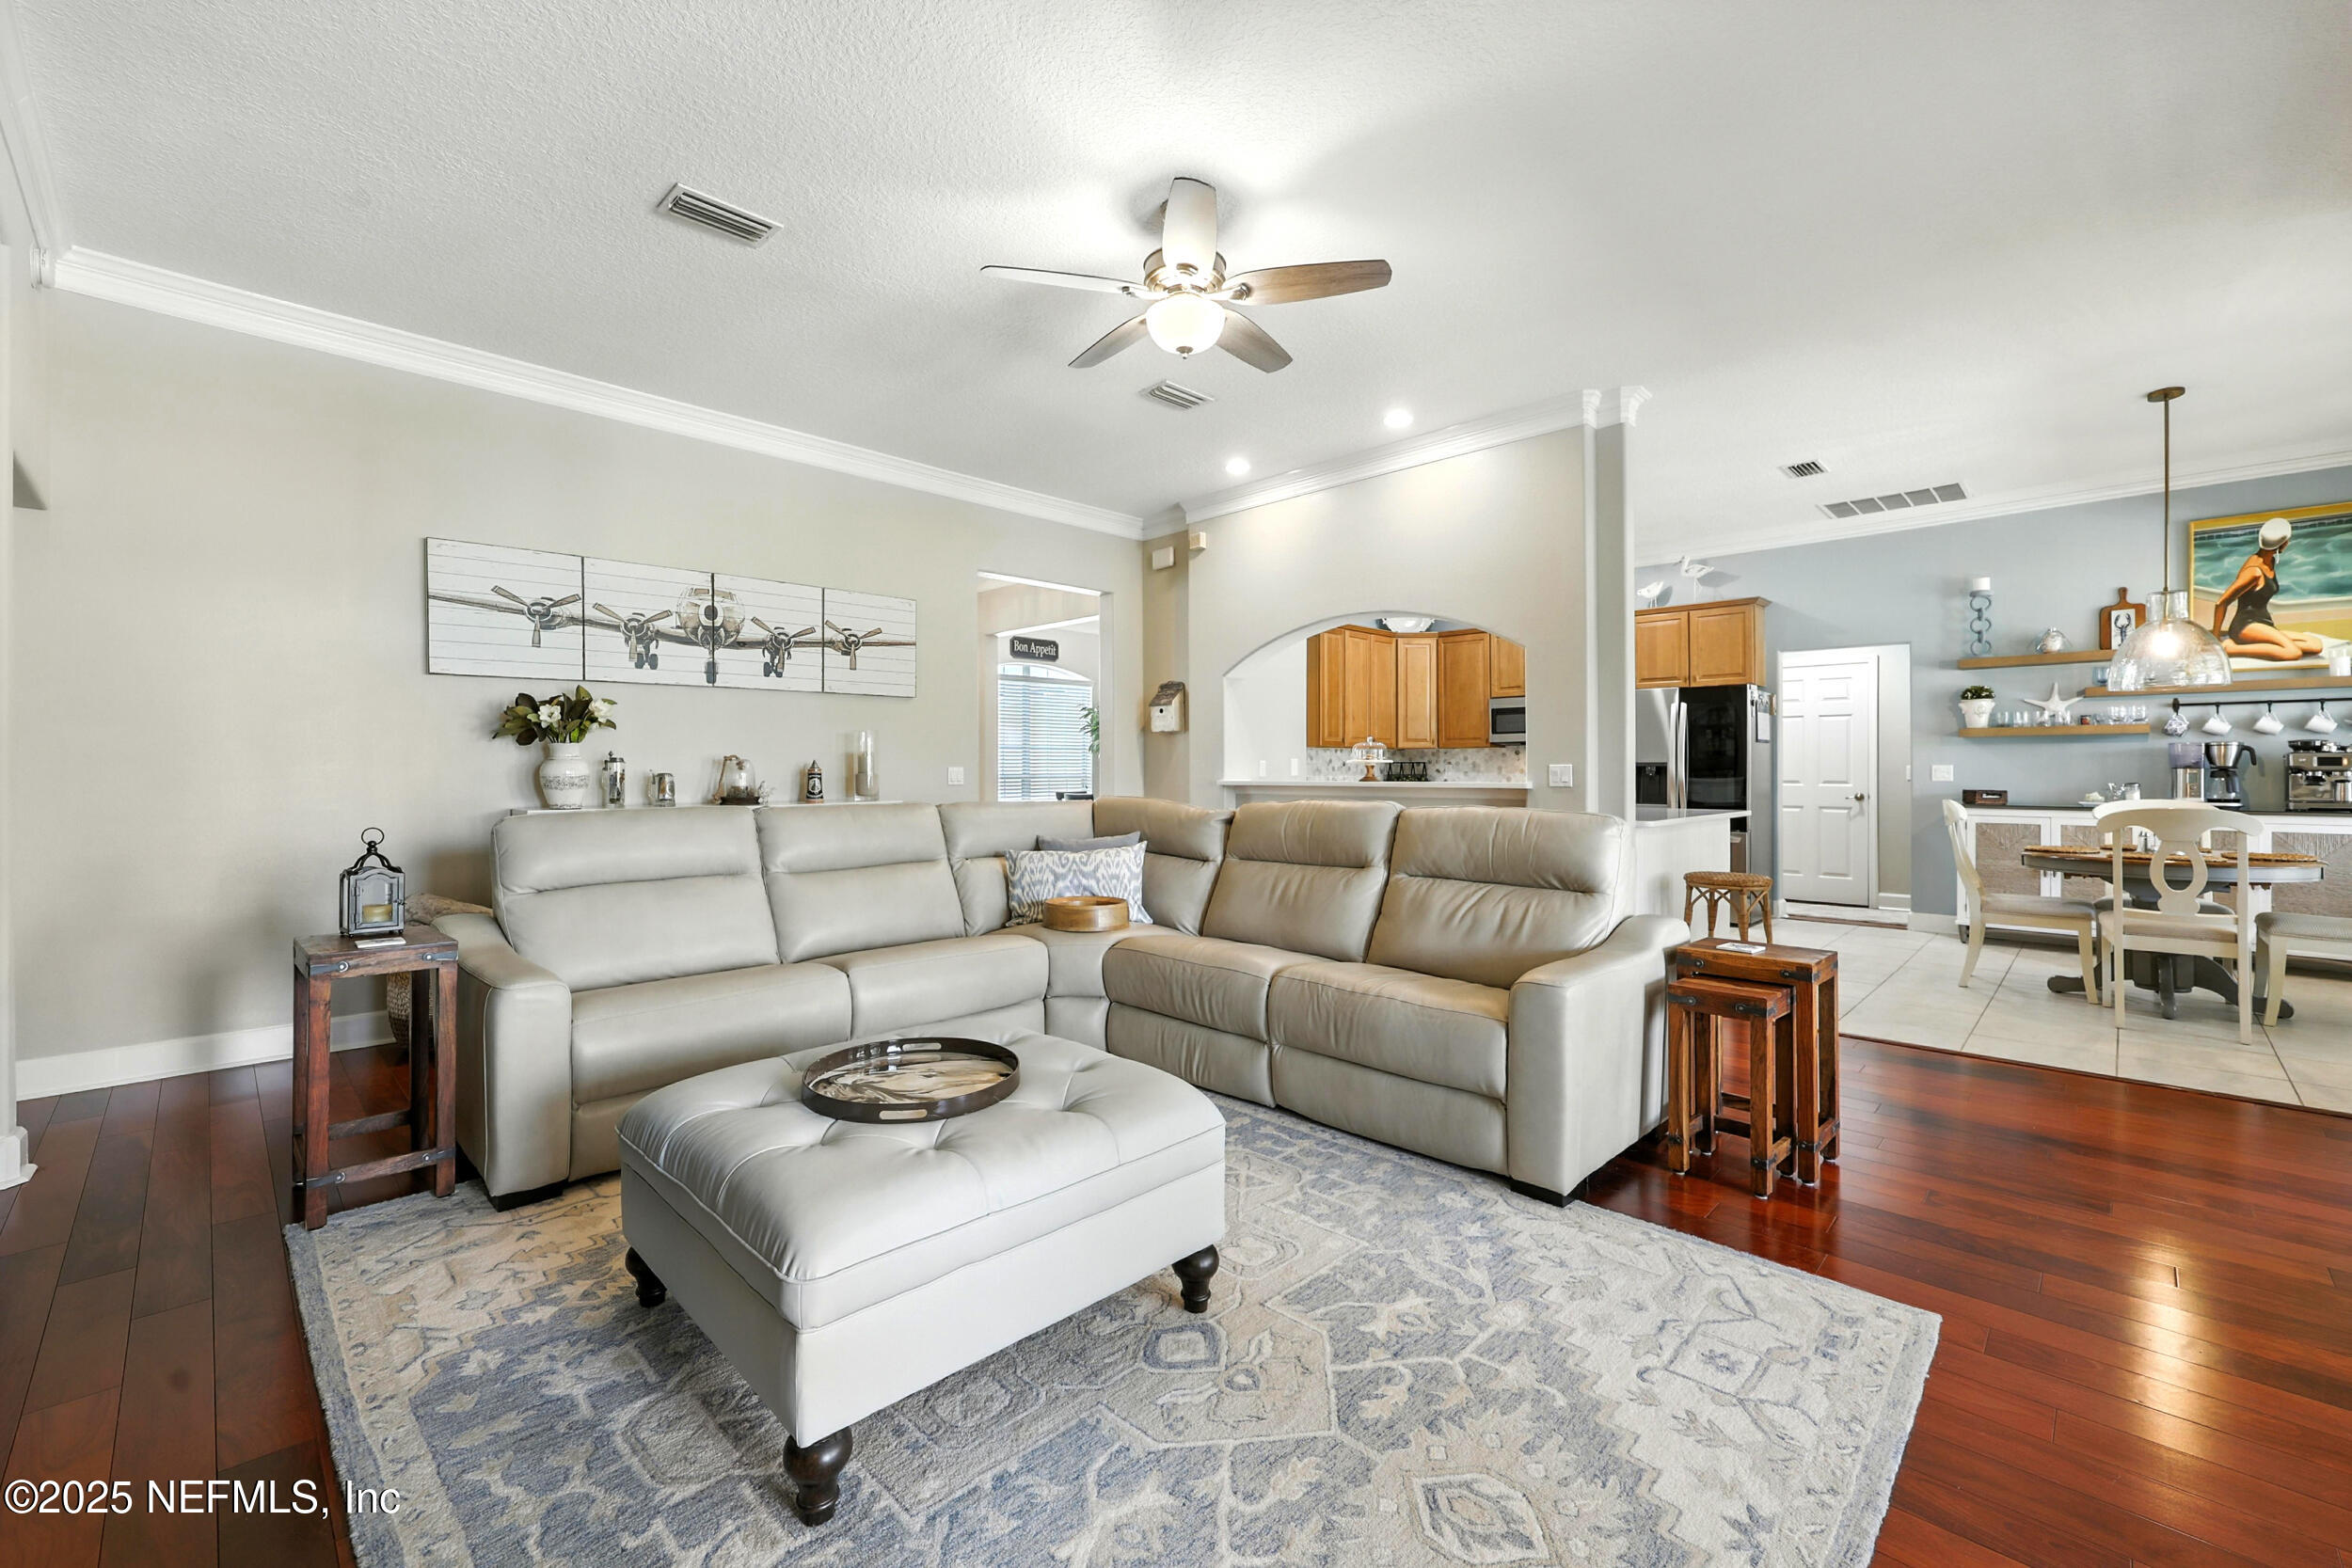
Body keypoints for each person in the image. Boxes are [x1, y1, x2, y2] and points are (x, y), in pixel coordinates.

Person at [2212, 516, 2327, 661]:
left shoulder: (2270, 561)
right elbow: (2221, 602)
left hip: (2264, 622)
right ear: (2283, 544)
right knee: (2293, 652)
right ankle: (2231, 649)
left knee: (2315, 645)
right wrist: (2215, 637)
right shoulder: (2254, 571)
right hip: (2246, 625)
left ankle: (2266, 644)